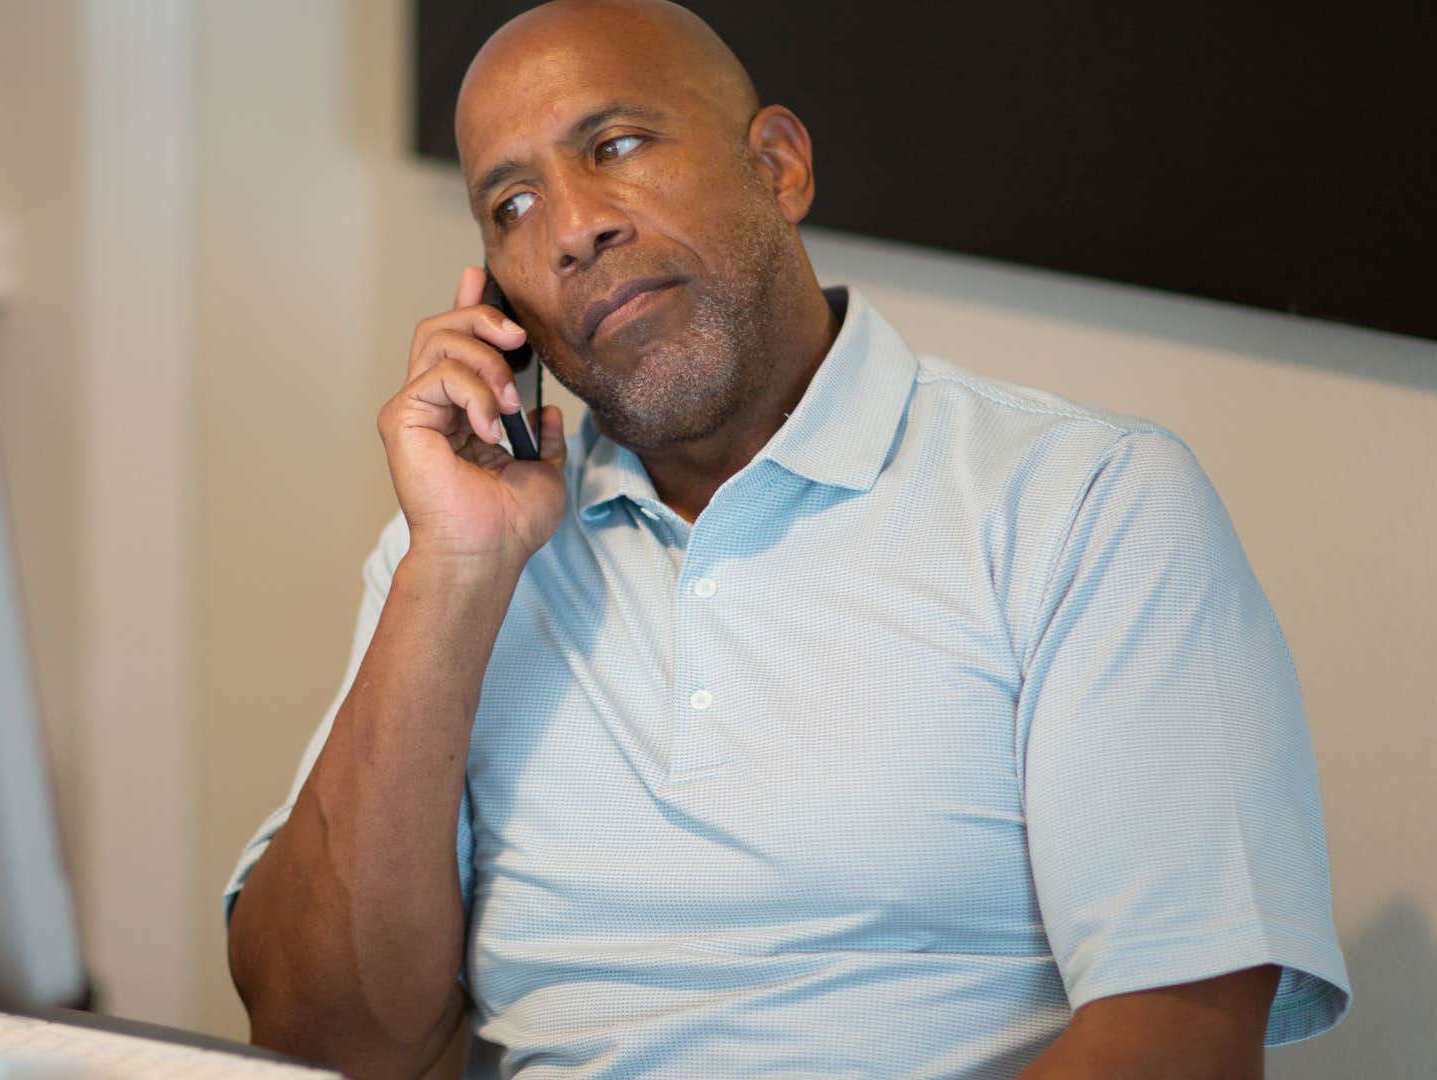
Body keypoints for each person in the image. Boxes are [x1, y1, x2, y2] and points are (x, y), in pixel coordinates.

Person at [223, 2, 1350, 1076]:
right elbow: (325, 1041)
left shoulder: (1084, 504)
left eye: (615, 145)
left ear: (779, 167)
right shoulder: (457, 557)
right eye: (511, 207)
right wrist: (456, 572)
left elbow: (1180, 1049)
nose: (572, 230)